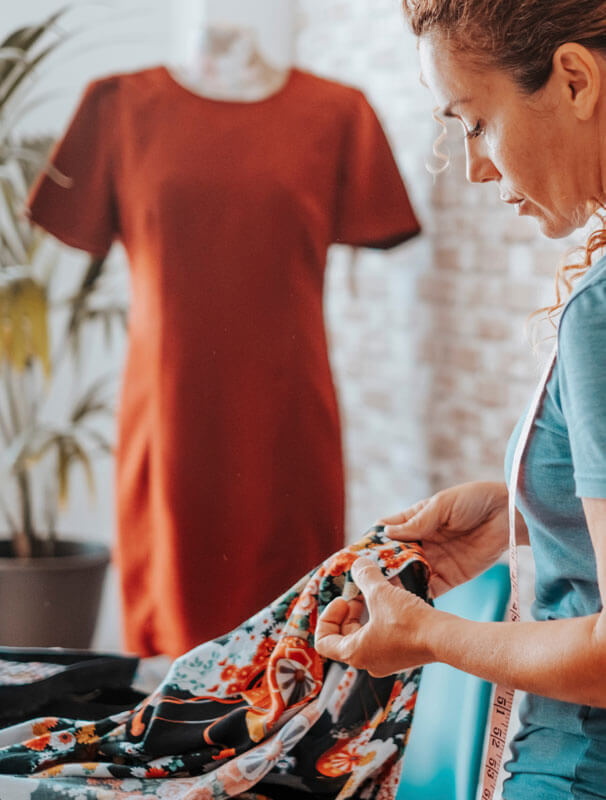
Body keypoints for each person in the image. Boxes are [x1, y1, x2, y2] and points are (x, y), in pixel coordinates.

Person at [26, 11, 420, 658]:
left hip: (287, 415)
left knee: (293, 632)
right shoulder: (119, 104)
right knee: (170, 613)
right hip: (170, 410)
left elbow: (382, 220)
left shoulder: (336, 112)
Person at [315, 1, 606, 798]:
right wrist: (526, 514)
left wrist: (429, 635)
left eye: (473, 122)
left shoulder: (601, 314)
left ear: (575, 80)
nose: (475, 167)